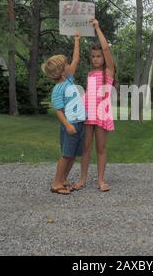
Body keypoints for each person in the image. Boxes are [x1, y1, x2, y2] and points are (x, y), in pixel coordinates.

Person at [71, 19, 116, 192]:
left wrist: (97, 27)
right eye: (94, 56)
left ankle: (101, 180)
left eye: (99, 56)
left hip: (102, 114)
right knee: (86, 147)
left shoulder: (109, 71)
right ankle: (82, 179)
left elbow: (106, 48)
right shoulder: (90, 73)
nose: (96, 59)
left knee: (101, 147)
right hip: (89, 114)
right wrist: (77, 40)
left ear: (104, 58)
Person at [41, 31, 85, 195]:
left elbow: (76, 59)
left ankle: (64, 179)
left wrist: (77, 41)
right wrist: (67, 125)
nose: (69, 65)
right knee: (66, 155)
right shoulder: (58, 89)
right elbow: (58, 111)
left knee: (73, 155)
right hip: (70, 125)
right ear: (61, 72)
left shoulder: (69, 79)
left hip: (79, 123)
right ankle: (56, 184)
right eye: (66, 65)